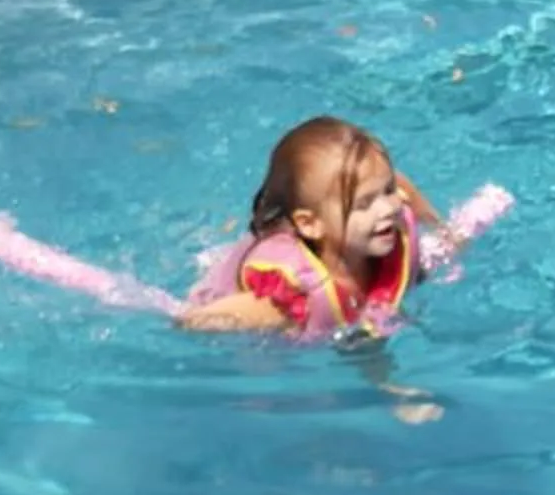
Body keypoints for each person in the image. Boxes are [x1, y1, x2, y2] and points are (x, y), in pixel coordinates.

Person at [177, 117, 444, 338]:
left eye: (387, 192)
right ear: (310, 224)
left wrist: (439, 226)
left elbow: (398, 182)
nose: (388, 208)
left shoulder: (389, 219)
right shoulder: (295, 300)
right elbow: (194, 321)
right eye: (363, 204)